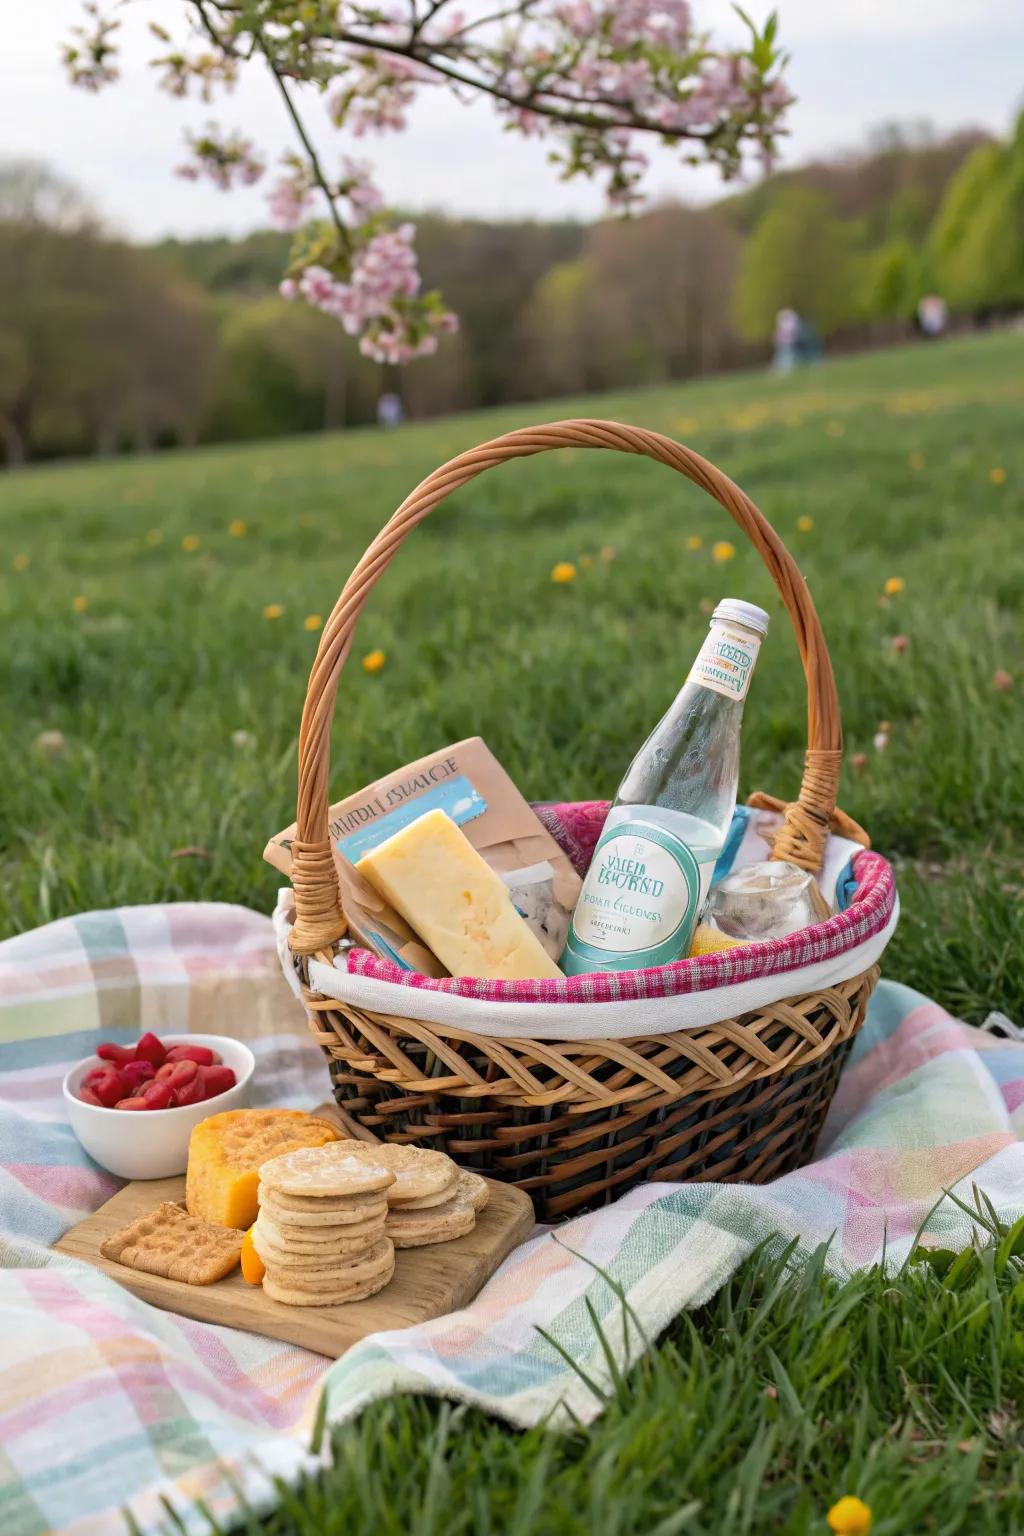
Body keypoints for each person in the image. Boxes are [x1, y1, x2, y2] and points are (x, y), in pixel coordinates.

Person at [772, 308, 800, 373]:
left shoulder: (791, 324)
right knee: (781, 356)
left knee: (788, 356)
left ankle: (787, 368)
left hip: (788, 344)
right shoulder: (784, 325)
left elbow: (792, 333)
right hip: (783, 345)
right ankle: (781, 368)